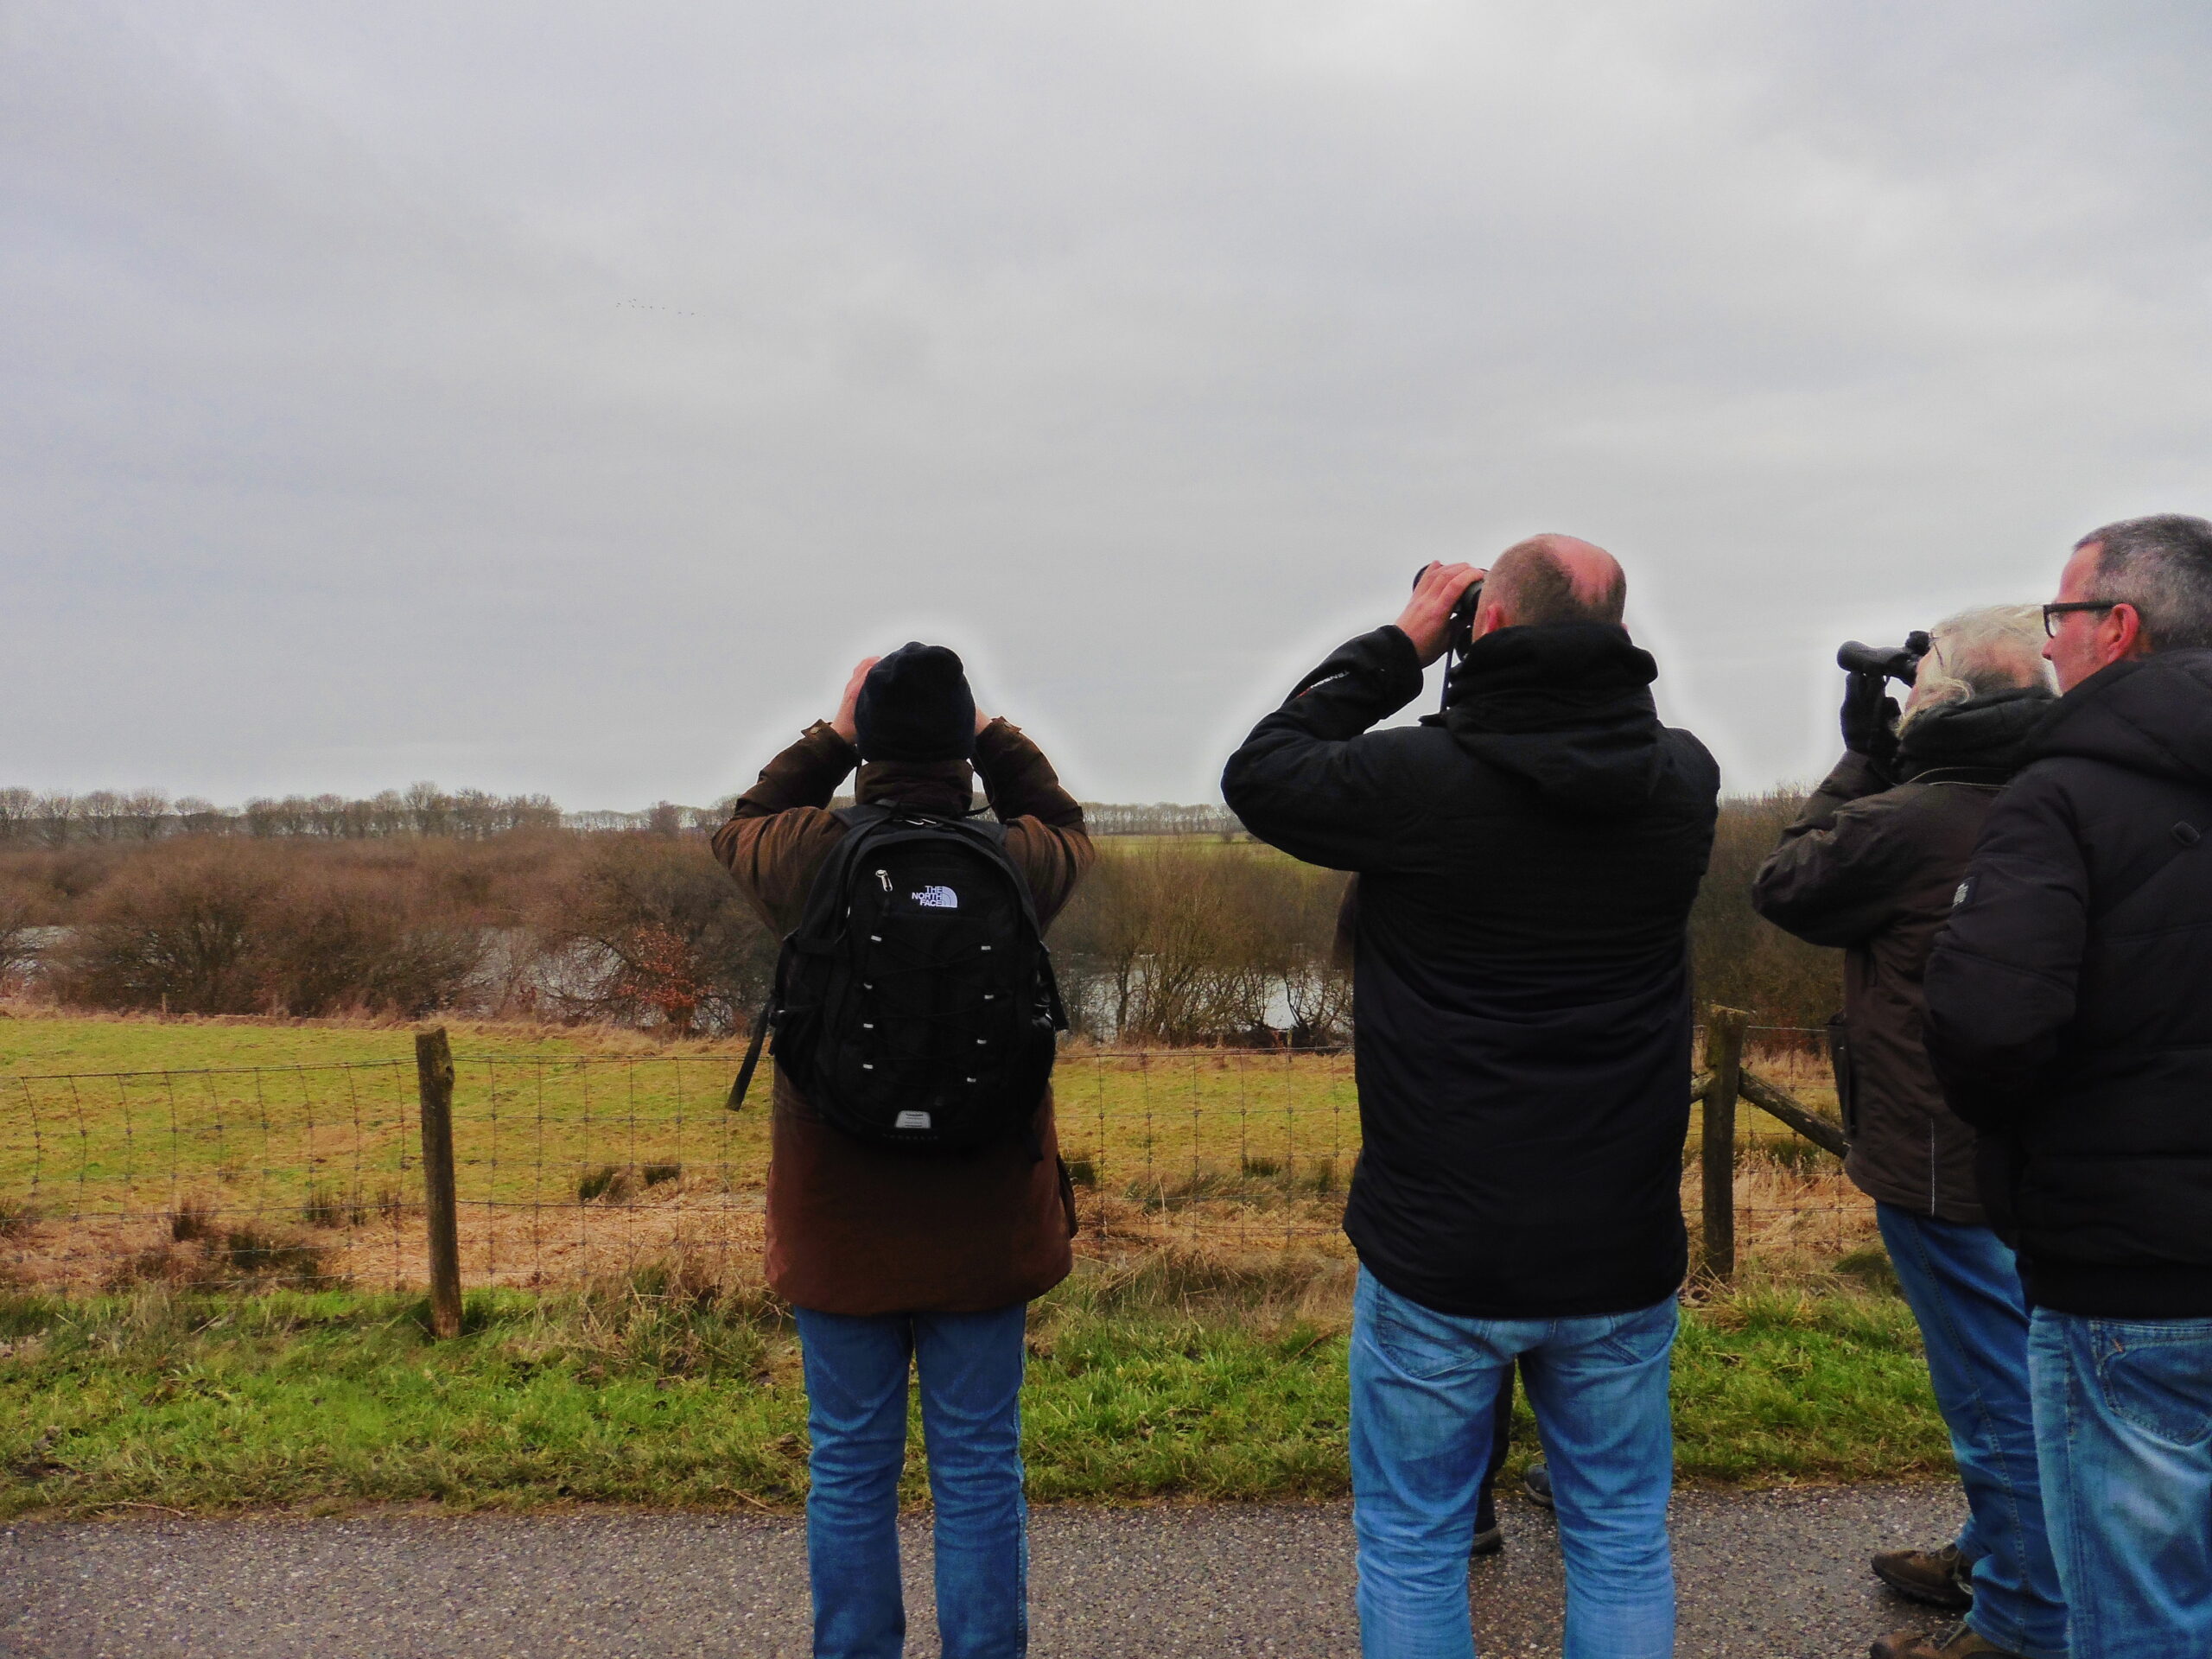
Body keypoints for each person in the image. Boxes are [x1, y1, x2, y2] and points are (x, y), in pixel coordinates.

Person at [1224, 537, 1719, 1659]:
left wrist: (1404, 641)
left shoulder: (1418, 784)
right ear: (1618, 644)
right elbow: (1597, 740)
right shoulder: (1684, 781)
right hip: (1618, 1241)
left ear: (1484, 627)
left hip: (1440, 1248)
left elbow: (1265, 771)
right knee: (1622, 1537)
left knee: (1413, 1539)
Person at [712, 643, 1092, 1659]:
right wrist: (992, 733)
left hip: (838, 1223)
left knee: (847, 1467)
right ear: (962, 748)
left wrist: (832, 734)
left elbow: (738, 823)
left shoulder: (807, 856)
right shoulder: (1014, 863)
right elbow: (1063, 821)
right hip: (983, 1226)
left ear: (867, 748)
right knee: (977, 1468)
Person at [1751, 608, 2066, 1659]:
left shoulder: (1916, 818)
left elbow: (1790, 882)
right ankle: (1998, 1547)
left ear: (1943, 705)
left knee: (1988, 1389)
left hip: (1940, 1154)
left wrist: (1861, 757)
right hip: (2051, 1146)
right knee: (2033, 1366)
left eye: (1922, 683)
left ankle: (2024, 1620)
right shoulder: (2063, 792)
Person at [1923, 513, 2212, 1659]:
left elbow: (1988, 1029)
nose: (2050, 649)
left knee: (2140, 1603)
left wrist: (2030, 1147)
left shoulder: (2062, 796)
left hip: (2127, 1265)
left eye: (2063, 619)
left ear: (2119, 627)